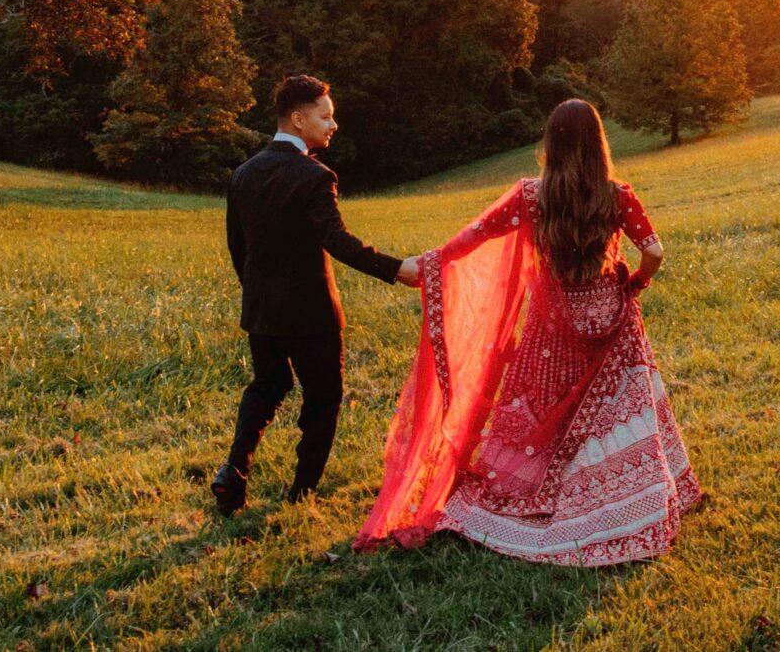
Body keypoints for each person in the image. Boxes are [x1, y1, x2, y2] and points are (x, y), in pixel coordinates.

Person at [355, 98, 702, 566]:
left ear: (550, 145)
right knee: (617, 405)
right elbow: (654, 250)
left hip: (553, 322)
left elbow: (473, 237)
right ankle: (626, 494)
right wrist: (636, 281)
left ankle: (542, 488)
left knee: (545, 406)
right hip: (611, 318)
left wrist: (431, 264)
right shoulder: (617, 195)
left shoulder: (530, 196)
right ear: (599, 144)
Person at [211, 74, 420, 515]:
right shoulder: (314, 176)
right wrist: (397, 269)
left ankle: (234, 470)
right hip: (312, 315)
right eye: (325, 116)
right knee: (322, 399)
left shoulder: (244, 174)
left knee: (267, 387)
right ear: (298, 118)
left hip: (262, 312)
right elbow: (337, 240)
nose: (333, 125)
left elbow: (238, 247)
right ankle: (300, 493)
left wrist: (257, 295)